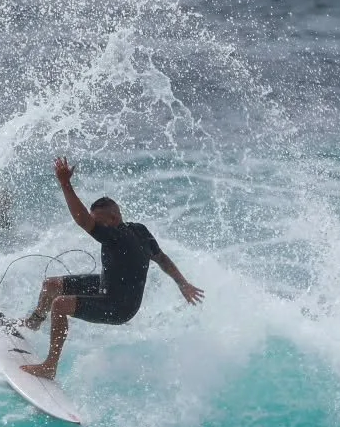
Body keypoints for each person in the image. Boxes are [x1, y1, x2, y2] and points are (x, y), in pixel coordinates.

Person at [16, 157, 203, 380]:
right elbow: (162, 259)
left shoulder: (118, 236)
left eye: (100, 222)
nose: (97, 228)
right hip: (108, 286)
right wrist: (183, 284)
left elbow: (82, 220)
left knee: (60, 304)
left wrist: (65, 184)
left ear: (114, 218)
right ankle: (33, 323)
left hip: (120, 306)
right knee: (52, 285)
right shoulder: (138, 230)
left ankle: (50, 366)